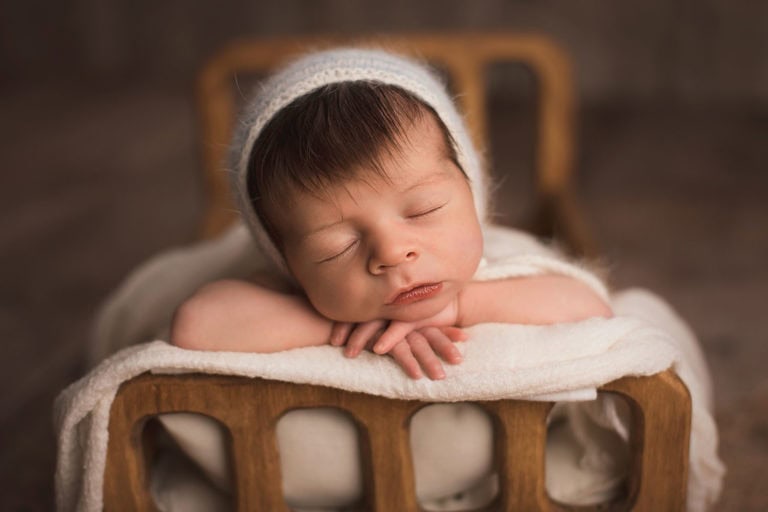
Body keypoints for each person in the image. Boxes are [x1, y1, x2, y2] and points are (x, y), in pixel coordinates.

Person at [170, 48, 612, 380]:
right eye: (336, 246)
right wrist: (340, 324)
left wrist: (457, 306)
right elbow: (197, 325)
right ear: (285, 260)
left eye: (424, 210)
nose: (394, 252)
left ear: (470, 193)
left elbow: (589, 305)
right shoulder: (281, 288)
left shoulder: (500, 266)